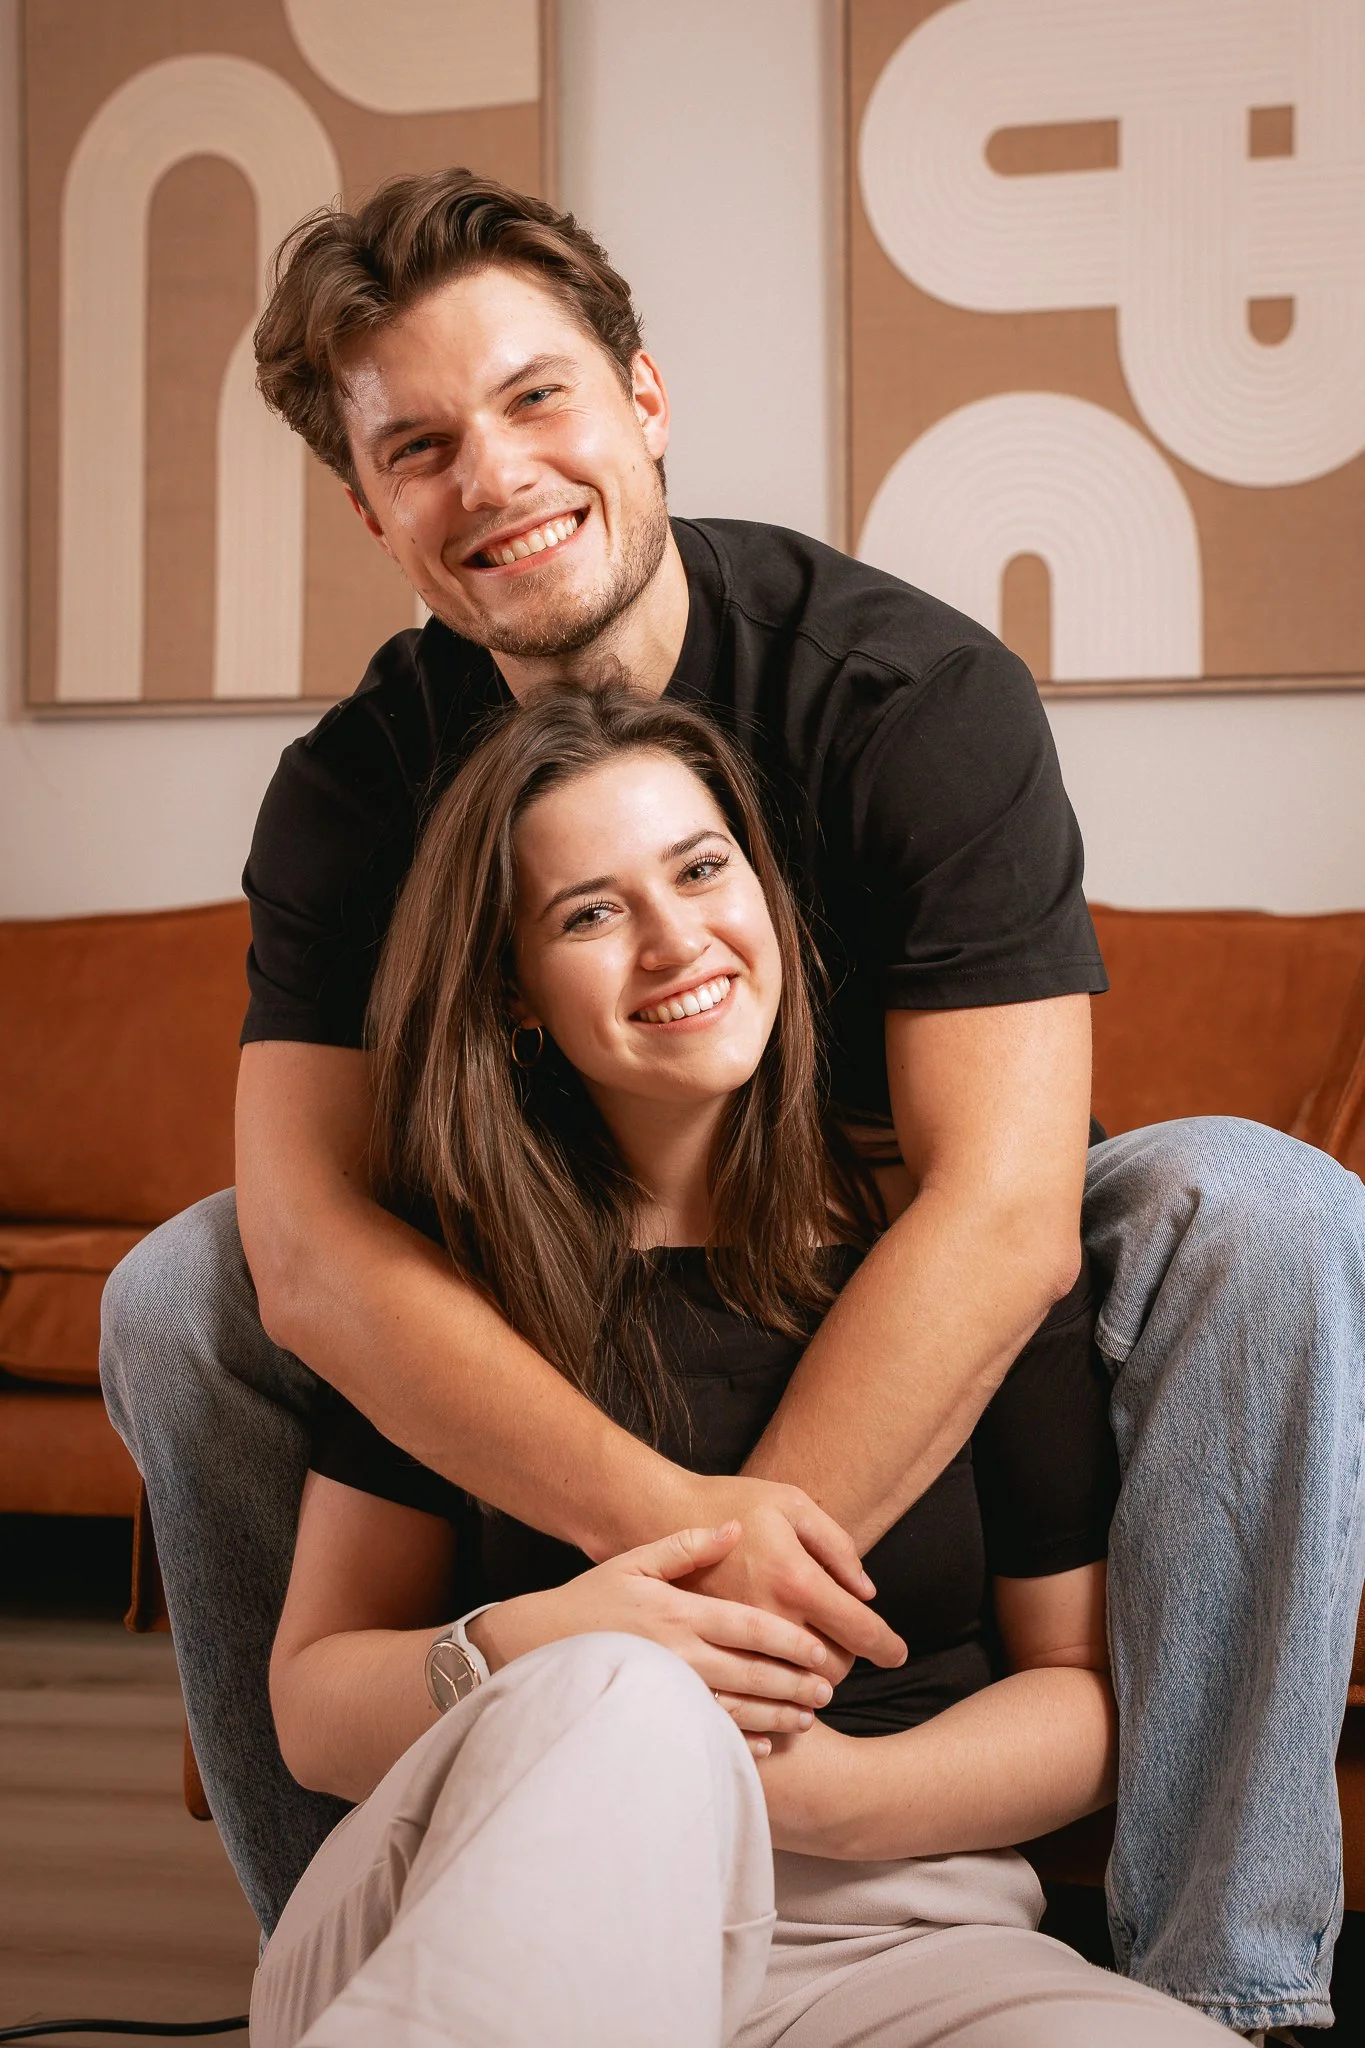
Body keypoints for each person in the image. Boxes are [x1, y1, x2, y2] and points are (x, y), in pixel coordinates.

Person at [97, 169, 1365, 2038]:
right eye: (424, 447)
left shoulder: (911, 694)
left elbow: (1005, 1206)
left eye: (539, 398)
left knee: (1259, 1209)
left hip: (895, 1219)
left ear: (645, 400)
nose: (499, 474)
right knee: (179, 1292)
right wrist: (660, 1556)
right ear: (371, 510)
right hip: (560, 1249)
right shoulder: (359, 795)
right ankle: (385, 1940)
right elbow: (302, 1245)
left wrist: (716, 1637)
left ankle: (1231, 1983)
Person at [251, 682, 1227, 2046]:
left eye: (701, 869)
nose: (673, 940)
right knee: (626, 1691)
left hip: (902, 1947)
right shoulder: (455, 1285)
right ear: (513, 996)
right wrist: (559, 1646)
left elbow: (1085, 1693)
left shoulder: (954, 1251)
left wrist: (803, 1791)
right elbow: (311, 1708)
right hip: (491, 1905)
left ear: (766, 894)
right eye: (589, 912)